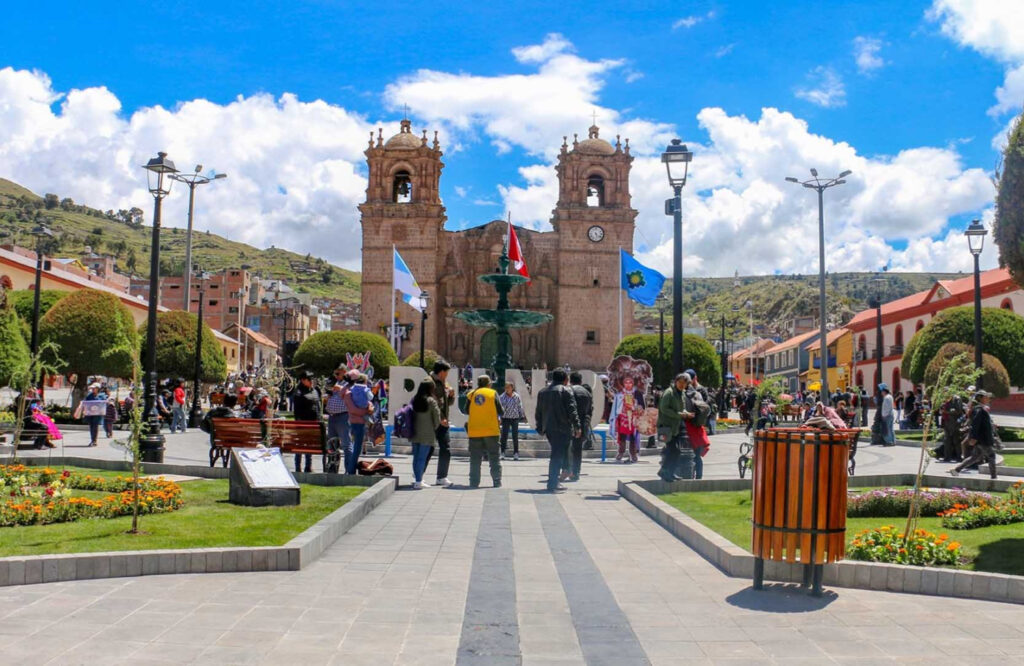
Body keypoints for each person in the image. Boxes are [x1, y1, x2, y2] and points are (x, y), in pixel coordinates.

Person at [534, 369, 581, 493]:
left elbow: (538, 412)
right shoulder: (566, 391)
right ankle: (552, 483)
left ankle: (555, 481)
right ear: (565, 379)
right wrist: (577, 426)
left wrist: (539, 427)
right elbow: (572, 410)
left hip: (549, 428)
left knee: (557, 454)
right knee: (557, 456)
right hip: (563, 428)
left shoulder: (543, 392)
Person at [466, 375, 503, 488]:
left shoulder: (471, 394)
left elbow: (466, 410)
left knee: (475, 458)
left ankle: (474, 482)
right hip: (491, 431)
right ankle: (496, 480)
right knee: (494, 457)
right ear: (489, 383)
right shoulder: (492, 393)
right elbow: (501, 410)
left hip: (475, 431)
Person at [951, 390, 997, 479]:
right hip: (983, 439)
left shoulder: (980, 409)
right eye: (986, 397)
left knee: (974, 457)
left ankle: (956, 470)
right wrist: (973, 437)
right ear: (980, 398)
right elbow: (975, 424)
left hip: (981, 438)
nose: (988, 399)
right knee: (991, 456)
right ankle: (994, 477)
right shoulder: (979, 410)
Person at [657, 373, 694, 482]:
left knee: (675, 451)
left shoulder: (682, 393)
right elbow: (664, 409)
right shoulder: (669, 393)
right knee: (673, 450)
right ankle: (664, 471)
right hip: (667, 426)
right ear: (676, 381)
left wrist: (687, 413)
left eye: (685, 383)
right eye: (680, 382)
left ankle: (670, 472)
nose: (682, 385)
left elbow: (682, 409)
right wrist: (678, 415)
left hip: (676, 427)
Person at [427, 361, 456, 488]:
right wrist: (441, 418)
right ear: (442, 372)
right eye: (447, 372)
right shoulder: (430, 383)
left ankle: (441, 476)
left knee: (445, 448)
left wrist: (451, 396)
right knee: (429, 448)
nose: (447, 375)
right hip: (434, 421)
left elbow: (445, 404)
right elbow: (434, 403)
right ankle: (418, 475)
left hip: (443, 421)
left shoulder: (443, 383)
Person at [410, 378, 441, 489]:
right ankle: (419, 481)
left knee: (416, 457)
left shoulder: (414, 399)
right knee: (422, 458)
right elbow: (437, 418)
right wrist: (434, 428)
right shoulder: (431, 401)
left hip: (414, 432)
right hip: (427, 433)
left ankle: (417, 479)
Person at [563, 371, 593, 482]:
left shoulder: (568, 391)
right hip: (583, 424)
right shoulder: (587, 393)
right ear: (581, 381)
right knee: (577, 449)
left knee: (566, 448)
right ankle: (576, 473)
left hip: (570, 424)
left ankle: (566, 469)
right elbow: (590, 411)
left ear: (571, 380)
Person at [291, 371, 323, 474]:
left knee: (309, 445)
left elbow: (318, 406)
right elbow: (297, 410)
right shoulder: (299, 392)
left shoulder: (314, 390)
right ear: (303, 380)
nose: (311, 381)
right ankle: (298, 467)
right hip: (302, 423)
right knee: (300, 445)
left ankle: (308, 466)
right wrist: (299, 422)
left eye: (312, 379)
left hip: (313, 422)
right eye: (309, 379)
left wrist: (319, 419)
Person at [342, 374, 372, 475]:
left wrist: (369, 407)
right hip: (357, 423)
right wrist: (367, 410)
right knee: (356, 448)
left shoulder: (351, 392)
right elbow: (354, 410)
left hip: (353, 422)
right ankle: (351, 470)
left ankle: (350, 469)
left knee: (355, 447)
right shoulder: (348, 393)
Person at [326, 367, 353, 463]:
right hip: (332, 417)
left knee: (346, 444)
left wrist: (340, 389)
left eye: (338, 374)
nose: (336, 376)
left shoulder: (349, 384)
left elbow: (352, 394)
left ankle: (349, 470)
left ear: (344, 372)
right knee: (332, 444)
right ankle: (332, 468)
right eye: (335, 374)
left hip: (343, 417)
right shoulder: (333, 383)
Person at [498, 381, 525, 460]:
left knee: (515, 436)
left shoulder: (516, 396)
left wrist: (522, 415)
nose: (507, 389)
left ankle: (516, 453)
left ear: (512, 388)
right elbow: (499, 408)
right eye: (506, 387)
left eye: (508, 387)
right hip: (506, 418)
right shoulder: (502, 397)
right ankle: (502, 452)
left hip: (515, 418)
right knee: (504, 436)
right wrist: (499, 417)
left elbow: (520, 406)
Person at [77, 382, 108, 447]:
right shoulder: (89, 396)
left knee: (95, 426)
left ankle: (94, 441)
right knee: (91, 427)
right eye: (92, 388)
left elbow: (105, 403)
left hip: (97, 415)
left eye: (94, 388)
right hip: (90, 414)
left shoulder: (102, 396)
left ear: (98, 389)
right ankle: (92, 440)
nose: (93, 389)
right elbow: (85, 403)